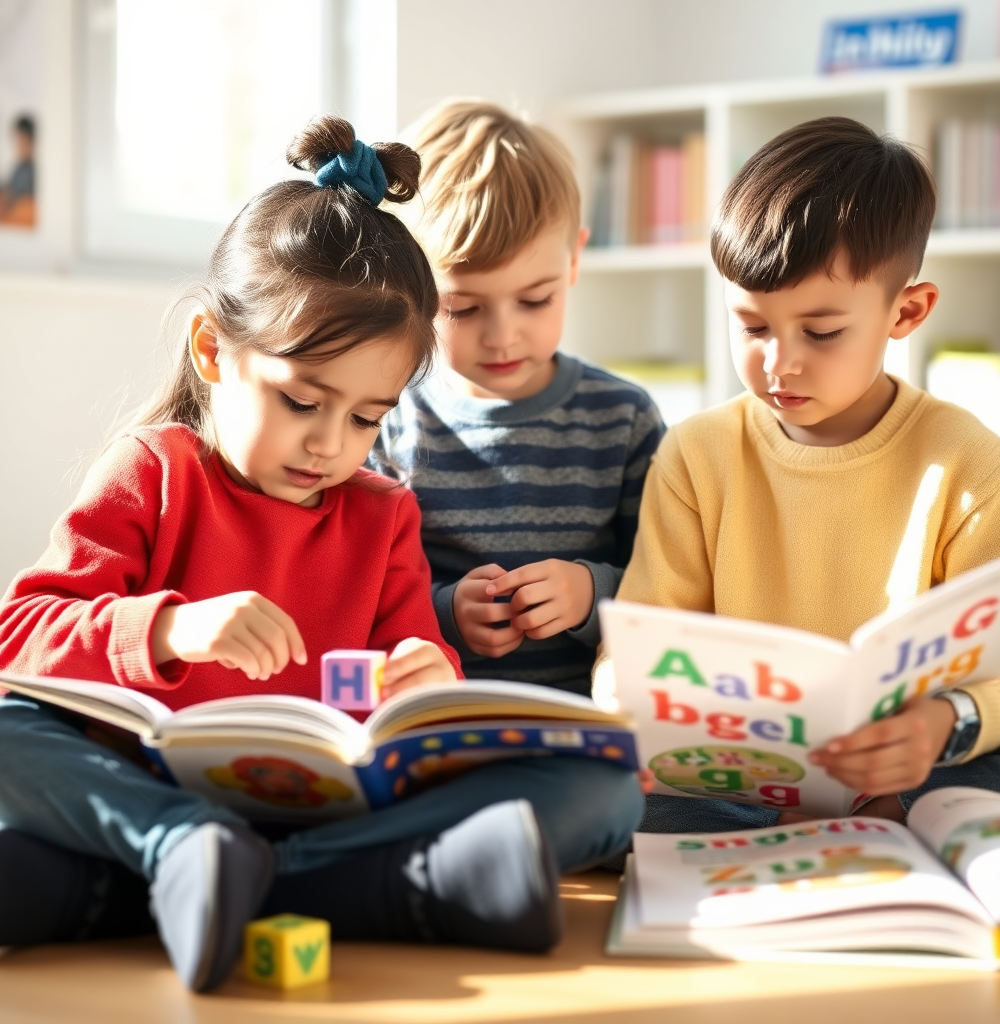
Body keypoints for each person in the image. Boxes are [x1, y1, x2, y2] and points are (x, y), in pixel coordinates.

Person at [0, 116, 643, 992]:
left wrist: (430, 678)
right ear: (212, 351)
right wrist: (172, 630)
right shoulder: (153, 471)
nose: (331, 445)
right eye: (303, 400)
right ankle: (202, 854)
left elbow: (412, 676)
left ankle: (151, 887)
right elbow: (21, 634)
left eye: (368, 417)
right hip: (149, 784)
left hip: (326, 802)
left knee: (607, 793)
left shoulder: (381, 516)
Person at [596, 116, 1000, 836]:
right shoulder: (696, 456)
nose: (780, 362)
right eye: (753, 327)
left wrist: (945, 722)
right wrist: (626, 712)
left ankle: (897, 817)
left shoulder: (974, 467)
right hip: (739, 781)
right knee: (607, 793)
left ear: (906, 311)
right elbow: (638, 645)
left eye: (821, 333)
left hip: (920, 768)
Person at [369, 101, 665, 696]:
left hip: (581, 721)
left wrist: (590, 593)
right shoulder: (384, 418)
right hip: (439, 718)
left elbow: (668, 586)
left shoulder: (623, 420)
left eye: (535, 300)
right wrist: (447, 613)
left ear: (575, 259)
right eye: (463, 308)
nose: (503, 334)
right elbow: (362, 593)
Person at [0, 114, 36, 227]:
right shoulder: (17, 168)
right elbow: (8, 187)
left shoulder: (34, 170)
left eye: (23, 141)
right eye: (17, 140)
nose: (19, 146)